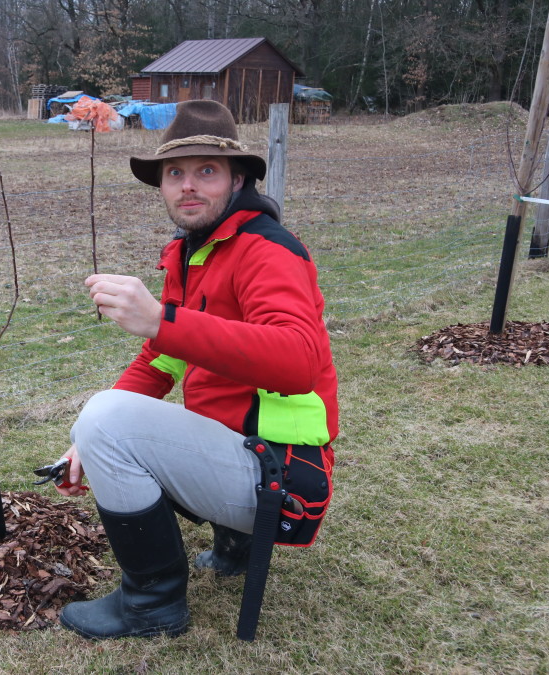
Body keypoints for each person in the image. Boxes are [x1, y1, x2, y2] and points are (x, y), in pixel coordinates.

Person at [55, 100, 339, 640]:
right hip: (251, 462)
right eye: (175, 173)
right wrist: (84, 445)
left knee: (106, 417)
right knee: (100, 422)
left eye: (207, 170)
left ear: (237, 179)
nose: (189, 186)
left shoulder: (266, 249)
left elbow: (298, 360)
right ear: (160, 185)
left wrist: (160, 320)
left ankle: (151, 605)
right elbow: (160, 361)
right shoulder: (191, 254)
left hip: (287, 483)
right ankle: (232, 543)